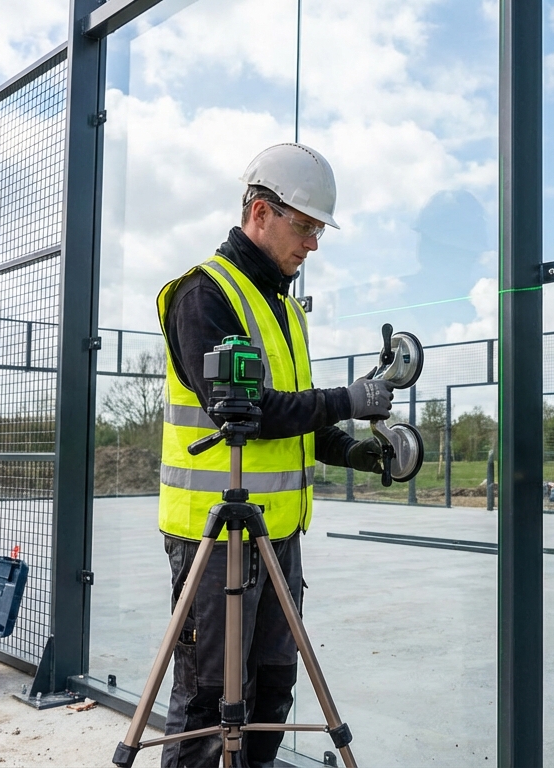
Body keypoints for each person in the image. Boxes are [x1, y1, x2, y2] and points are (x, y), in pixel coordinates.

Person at [156, 143, 396, 767]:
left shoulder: (285, 309)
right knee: (210, 700)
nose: (314, 243)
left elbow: (300, 426)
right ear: (261, 213)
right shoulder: (204, 295)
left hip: (277, 534)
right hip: (212, 537)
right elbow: (245, 411)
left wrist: (362, 454)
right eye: (306, 226)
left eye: (319, 229)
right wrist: (347, 397)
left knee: (271, 693)